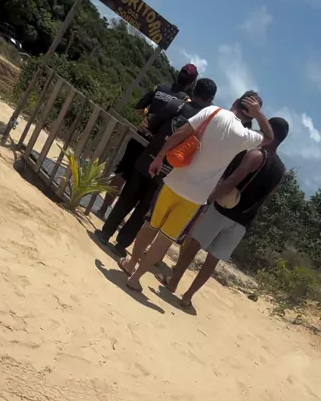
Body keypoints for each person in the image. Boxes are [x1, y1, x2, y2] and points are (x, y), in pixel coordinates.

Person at [119, 92, 274, 292]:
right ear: (250, 114)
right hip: (197, 197)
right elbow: (269, 137)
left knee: (150, 226)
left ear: (235, 101)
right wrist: (259, 114)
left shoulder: (212, 112)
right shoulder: (245, 136)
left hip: (174, 182)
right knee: (165, 239)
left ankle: (131, 264)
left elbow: (180, 133)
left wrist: (159, 157)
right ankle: (136, 278)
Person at [161, 117, 289, 307]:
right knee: (212, 260)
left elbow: (232, 181)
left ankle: (173, 281)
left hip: (223, 210)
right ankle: (188, 296)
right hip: (243, 221)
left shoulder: (256, 155)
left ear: (269, 131)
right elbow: (266, 199)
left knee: (194, 245)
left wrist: (210, 198)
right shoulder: (281, 171)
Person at [94, 78, 217, 253]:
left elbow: (152, 124)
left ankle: (105, 233)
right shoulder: (205, 125)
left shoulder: (177, 105)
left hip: (149, 159)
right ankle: (121, 245)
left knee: (127, 197)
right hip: (169, 172)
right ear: (210, 100)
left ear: (194, 89)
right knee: (144, 209)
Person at [96, 64, 198, 219]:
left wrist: (147, 117)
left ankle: (103, 210)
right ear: (191, 83)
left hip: (140, 136)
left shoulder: (160, 88)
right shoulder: (185, 101)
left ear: (178, 75)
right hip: (155, 147)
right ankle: (117, 217)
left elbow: (138, 108)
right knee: (138, 184)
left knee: (122, 172)